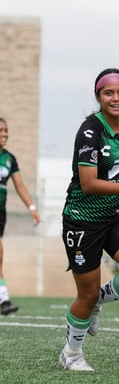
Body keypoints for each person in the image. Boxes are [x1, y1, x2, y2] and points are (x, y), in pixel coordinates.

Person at [60, 68, 119, 371]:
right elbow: (88, 184)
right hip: (82, 220)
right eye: (108, 93)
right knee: (84, 295)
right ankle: (71, 354)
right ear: (98, 97)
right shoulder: (90, 131)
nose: (116, 98)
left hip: (115, 215)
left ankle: (98, 302)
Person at [0, 117, 41, 315]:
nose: (4, 134)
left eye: (6, 130)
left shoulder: (9, 159)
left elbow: (20, 186)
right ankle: (3, 300)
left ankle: (3, 300)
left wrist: (32, 208)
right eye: (0, 130)